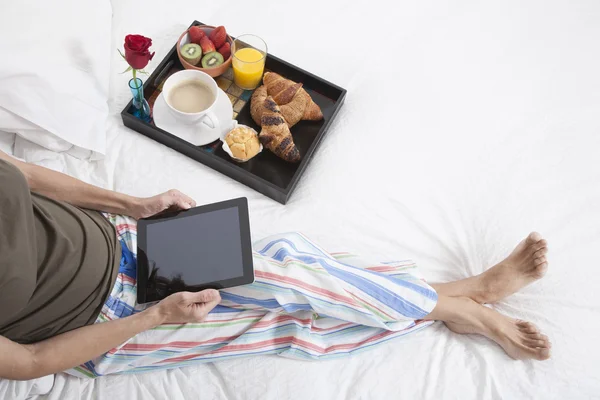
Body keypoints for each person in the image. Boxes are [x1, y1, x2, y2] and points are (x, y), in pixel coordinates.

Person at [0, 150, 551, 380]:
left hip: (123, 238)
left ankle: (452, 297)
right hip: (105, 323)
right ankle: (462, 306)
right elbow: (29, 360)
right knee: (285, 319)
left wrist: (132, 206)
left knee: (286, 264)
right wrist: (155, 318)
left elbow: (27, 176)